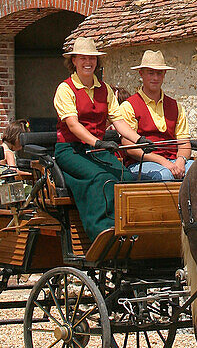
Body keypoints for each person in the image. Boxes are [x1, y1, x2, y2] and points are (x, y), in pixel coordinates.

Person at [54, 37, 143, 239]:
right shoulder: (65, 89)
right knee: (100, 178)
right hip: (70, 149)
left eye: (92, 58)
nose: (88, 62)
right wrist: (97, 142)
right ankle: (101, 232)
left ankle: (127, 228)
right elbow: (73, 124)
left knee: (125, 177)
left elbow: (119, 121)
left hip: (97, 149)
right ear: (74, 61)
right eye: (83, 58)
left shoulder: (105, 89)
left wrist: (139, 140)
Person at [119, 50, 193, 181]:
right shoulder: (128, 106)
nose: (155, 78)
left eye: (159, 73)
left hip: (173, 161)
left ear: (164, 74)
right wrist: (163, 161)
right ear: (141, 74)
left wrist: (181, 160)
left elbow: (184, 143)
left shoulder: (176, 107)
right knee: (164, 174)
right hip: (140, 163)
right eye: (150, 73)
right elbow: (129, 148)